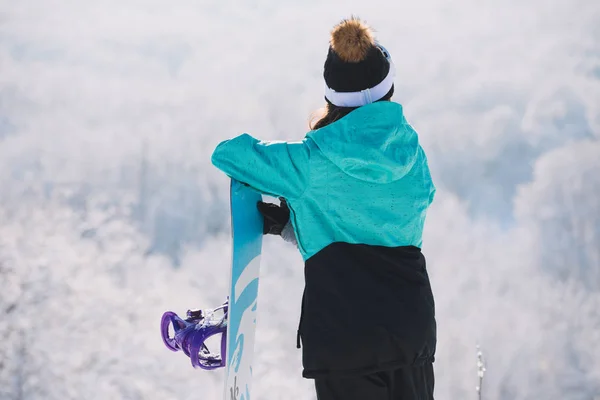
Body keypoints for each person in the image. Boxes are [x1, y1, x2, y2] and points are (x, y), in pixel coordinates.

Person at [211, 16, 437, 400]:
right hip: (410, 330)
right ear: (390, 88)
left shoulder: (308, 164)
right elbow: (379, 235)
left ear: (332, 96)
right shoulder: (413, 159)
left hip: (345, 334)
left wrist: (295, 214)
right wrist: (297, 224)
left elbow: (229, 154)